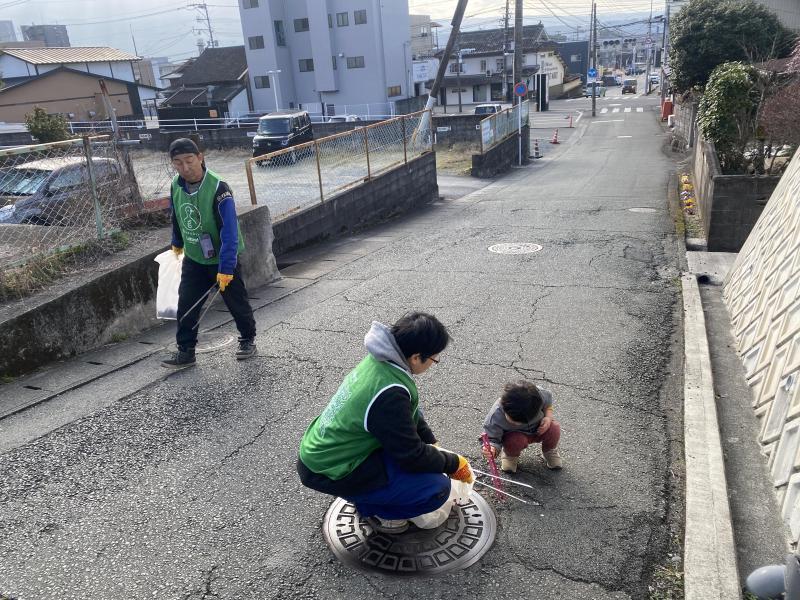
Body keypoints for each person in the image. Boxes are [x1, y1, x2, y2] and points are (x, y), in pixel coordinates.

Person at [297, 312, 474, 534]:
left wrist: (431, 441)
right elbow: (412, 456)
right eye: (434, 359)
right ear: (416, 357)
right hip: (329, 468)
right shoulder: (390, 394)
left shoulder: (382, 361)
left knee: (418, 455)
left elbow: (409, 414)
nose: (433, 363)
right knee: (437, 489)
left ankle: (370, 493)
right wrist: (453, 464)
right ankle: (376, 511)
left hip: (330, 452)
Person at [161, 138, 257, 368]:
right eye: (178, 163)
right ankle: (186, 351)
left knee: (236, 302)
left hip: (222, 258)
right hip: (195, 257)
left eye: (189, 160)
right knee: (186, 304)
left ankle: (247, 340)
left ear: (200, 157)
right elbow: (176, 216)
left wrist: (226, 268)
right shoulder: (176, 185)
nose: (185, 167)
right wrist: (177, 242)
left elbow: (229, 232)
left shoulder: (219, 188)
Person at [481, 380, 563, 472]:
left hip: (539, 428)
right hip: (515, 435)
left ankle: (549, 451)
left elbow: (548, 405)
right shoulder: (495, 416)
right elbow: (491, 438)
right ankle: (510, 456)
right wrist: (492, 448)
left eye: (523, 421)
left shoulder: (540, 396)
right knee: (514, 441)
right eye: (513, 421)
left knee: (554, 428)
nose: (518, 424)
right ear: (504, 407)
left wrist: (548, 417)